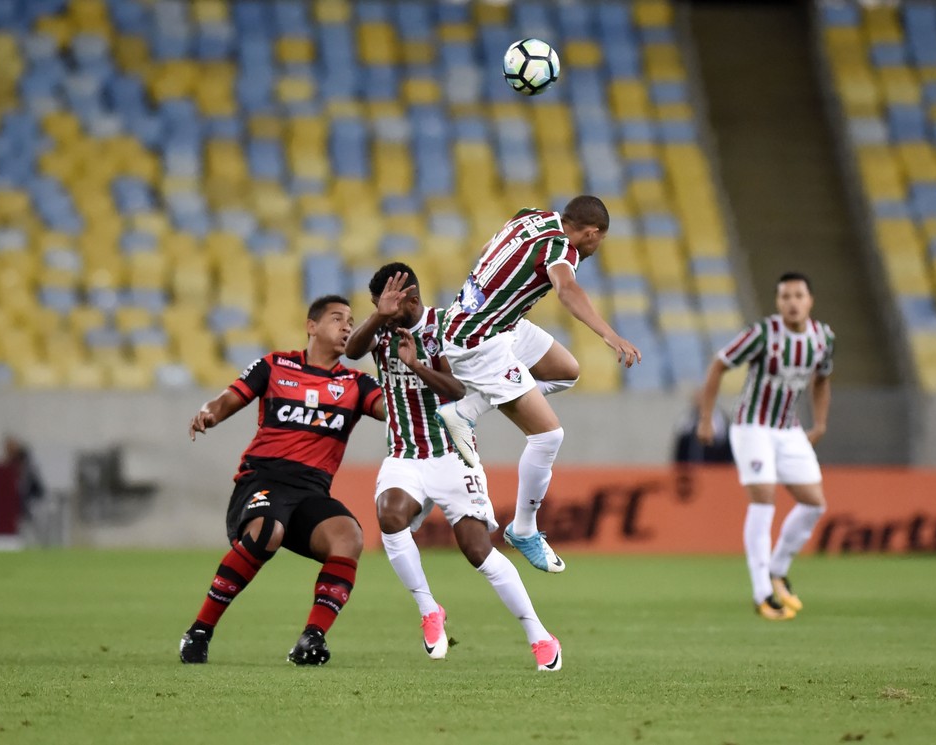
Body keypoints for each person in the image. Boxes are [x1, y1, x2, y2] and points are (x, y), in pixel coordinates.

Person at [344, 262, 562, 671]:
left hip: (452, 453)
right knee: (389, 514)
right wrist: (378, 316)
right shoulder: (382, 331)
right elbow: (351, 351)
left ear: (411, 298)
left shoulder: (450, 326)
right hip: (405, 454)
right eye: (377, 305)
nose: (384, 312)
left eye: (390, 304)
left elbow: (459, 391)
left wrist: (416, 365)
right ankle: (429, 610)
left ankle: (539, 635)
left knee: (477, 551)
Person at [435, 196, 642, 573]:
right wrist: (610, 336)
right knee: (548, 437)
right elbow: (566, 290)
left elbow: (488, 249)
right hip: (480, 341)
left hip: (495, 322)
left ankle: (466, 410)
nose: (596, 248)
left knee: (566, 370)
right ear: (591, 233)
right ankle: (524, 529)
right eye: (598, 241)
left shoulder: (533, 215)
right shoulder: (563, 247)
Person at [179, 295, 385, 665]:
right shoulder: (275, 365)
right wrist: (208, 413)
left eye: (351, 322)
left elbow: (389, 409)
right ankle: (199, 631)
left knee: (349, 536)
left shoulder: (356, 383)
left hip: (311, 491)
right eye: (337, 319)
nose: (346, 327)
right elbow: (228, 398)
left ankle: (311, 638)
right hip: (263, 477)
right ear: (312, 326)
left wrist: (404, 367)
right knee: (266, 532)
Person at [696, 272, 834, 621]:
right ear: (778, 302)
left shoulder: (823, 338)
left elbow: (822, 379)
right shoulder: (763, 334)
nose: (792, 302)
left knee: (815, 504)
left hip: (788, 430)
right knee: (764, 500)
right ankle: (762, 592)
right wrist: (706, 417)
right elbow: (718, 365)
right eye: (785, 296)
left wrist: (819, 423)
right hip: (752, 426)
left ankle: (778, 568)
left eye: (798, 295)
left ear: (810, 300)